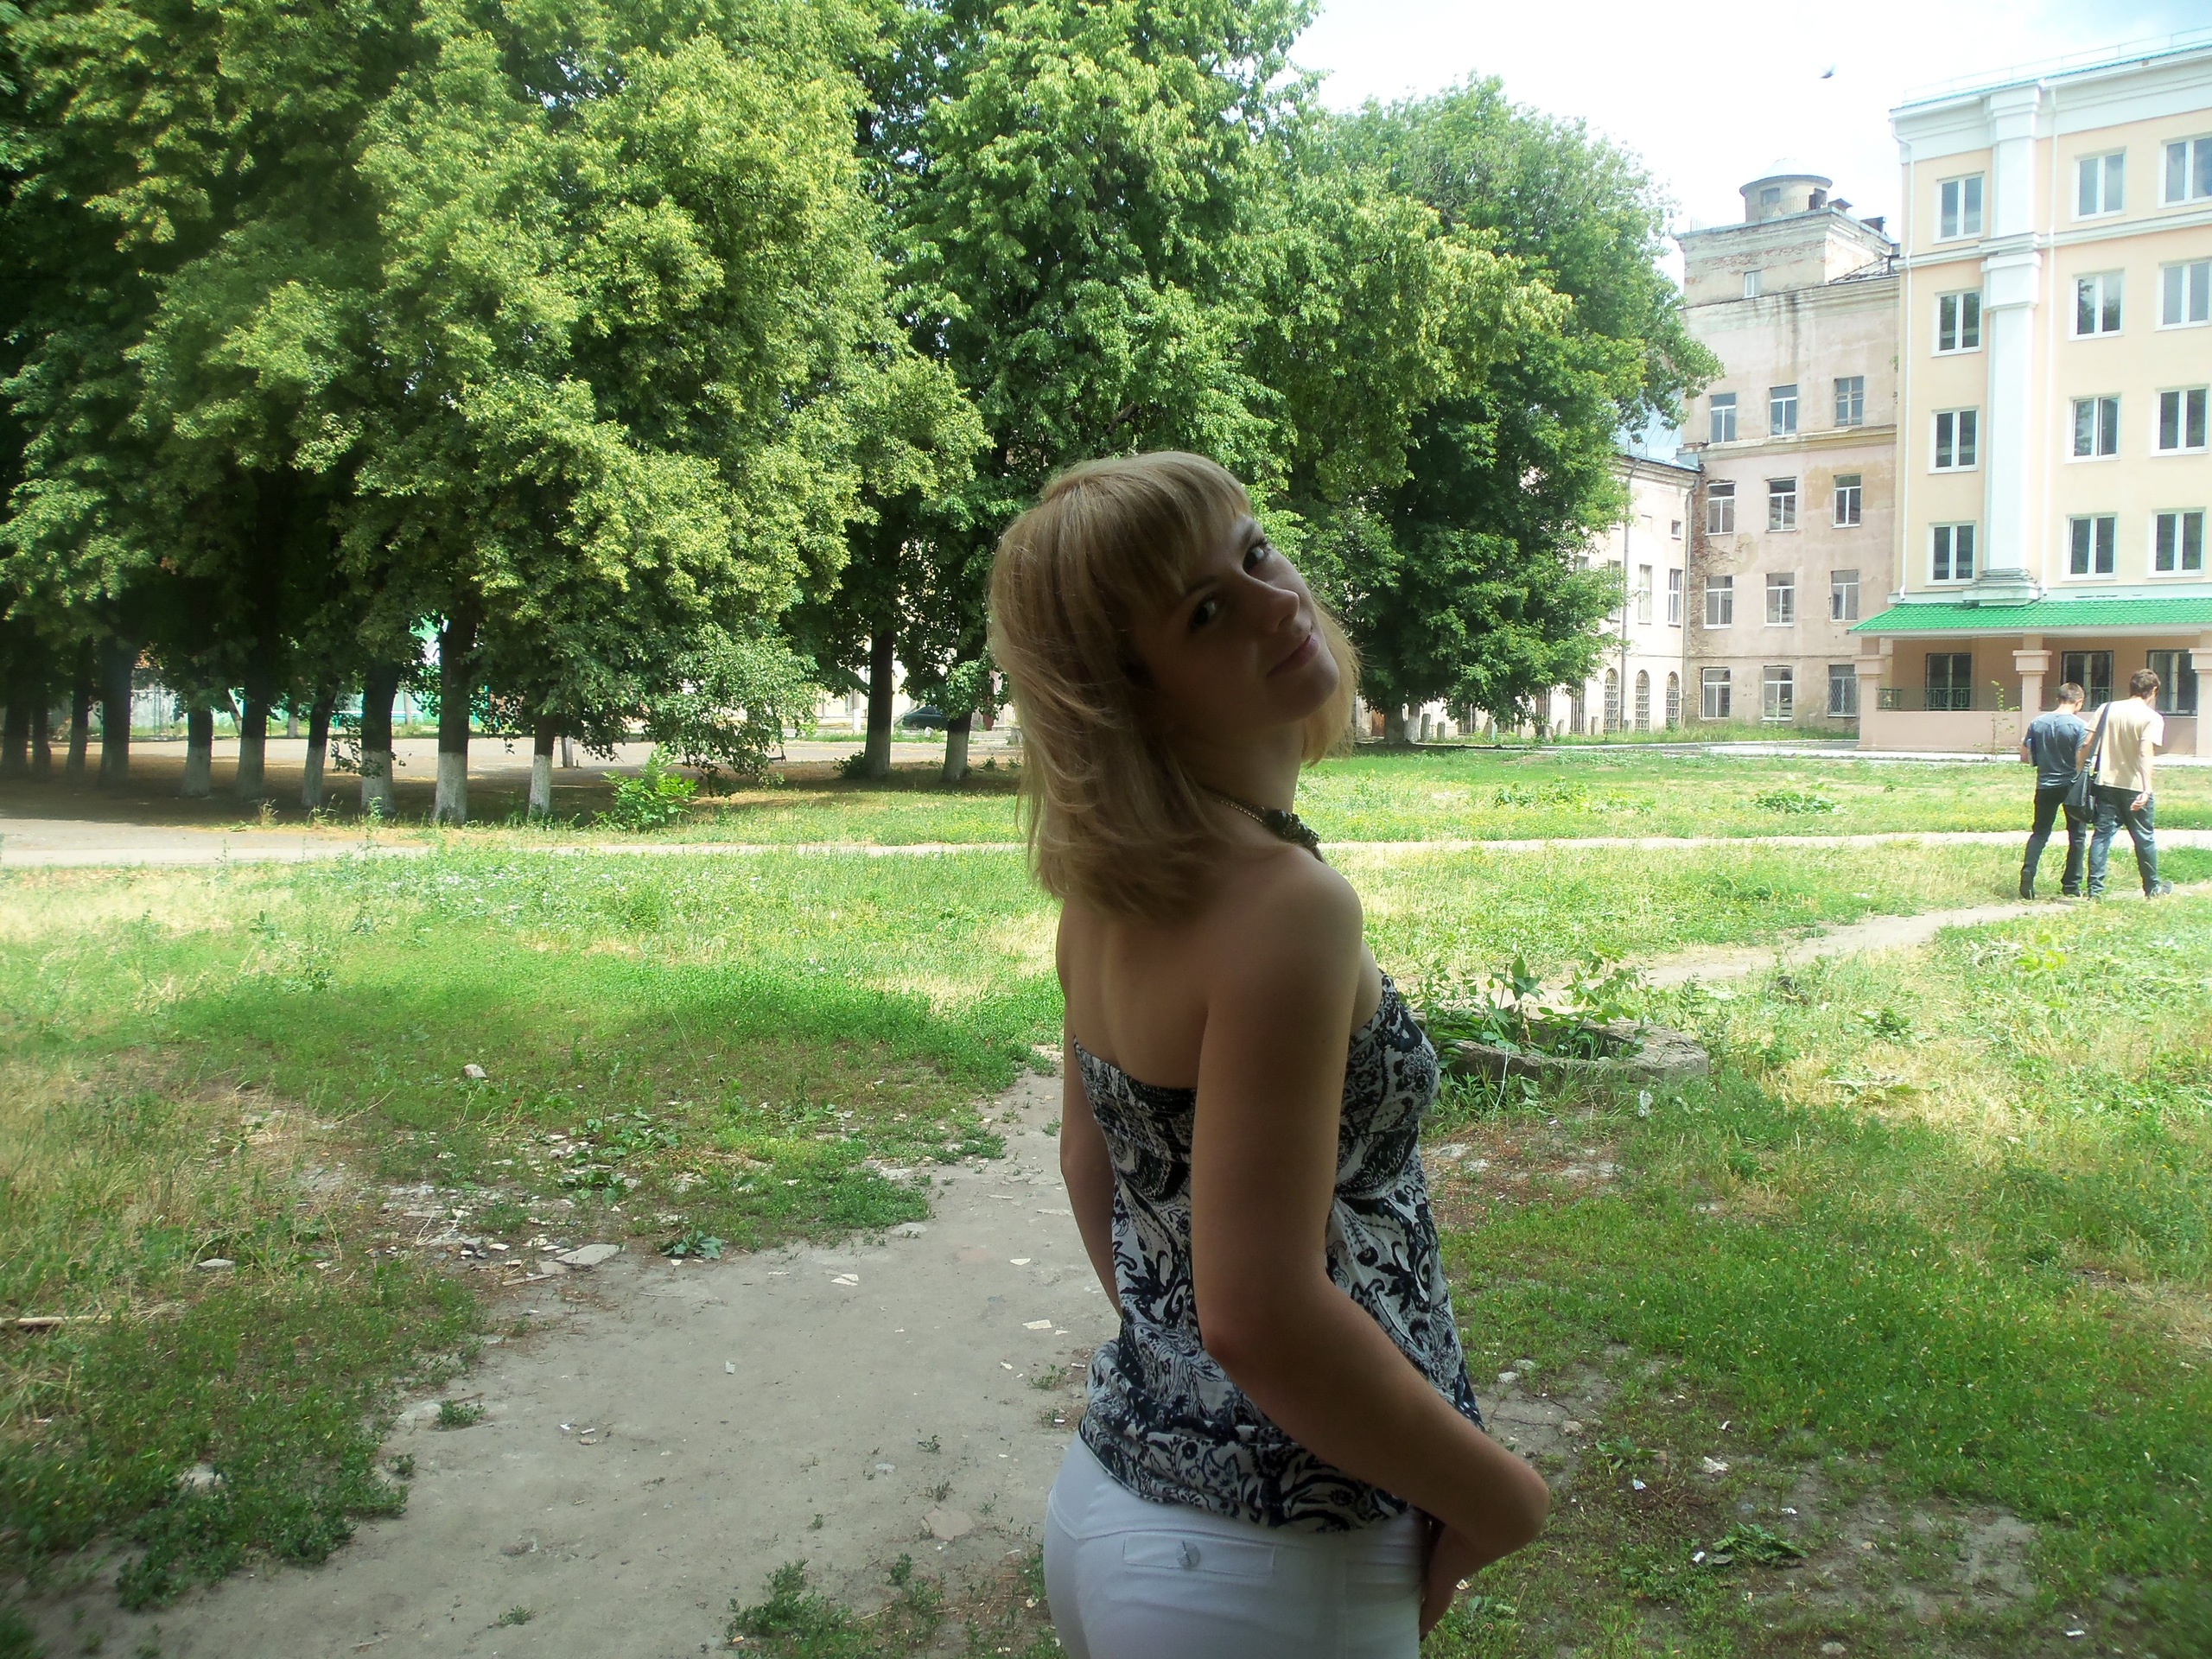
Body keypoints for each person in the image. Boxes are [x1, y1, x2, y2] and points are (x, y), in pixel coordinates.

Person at [988, 453, 1548, 1659]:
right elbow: (1259, 1314)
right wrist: (1502, 1499)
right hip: (1271, 1568)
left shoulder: (1107, 891)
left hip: (1113, 1508)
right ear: (1128, 698)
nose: (1274, 602)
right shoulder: (1285, 907)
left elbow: (1092, 1166)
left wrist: (1182, 1372)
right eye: (1206, 612)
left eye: (1254, 552)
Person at [2083, 667, 2174, 899]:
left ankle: (2095, 891)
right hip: (2134, 786)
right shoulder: (2151, 718)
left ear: (2131, 687)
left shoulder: (2106, 708)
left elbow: (2087, 742)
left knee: (2102, 836)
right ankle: (2152, 888)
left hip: (2105, 783)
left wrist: (2078, 770)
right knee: (2144, 837)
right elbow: (2145, 752)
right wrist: (2147, 788)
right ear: (2154, 690)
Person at [2018, 682, 2090, 899]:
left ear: (2058, 699)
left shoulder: (2037, 723)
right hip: (2072, 786)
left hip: (2045, 785)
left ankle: (2028, 874)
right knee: (2077, 835)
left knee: (2040, 832)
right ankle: (2071, 885)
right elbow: (2080, 759)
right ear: (2079, 702)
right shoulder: (2081, 727)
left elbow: (2025, 756)